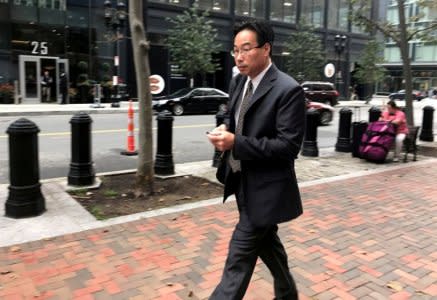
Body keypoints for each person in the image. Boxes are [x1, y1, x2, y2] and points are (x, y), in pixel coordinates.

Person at [206, 20, 306, 299]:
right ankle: (288, 293)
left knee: (239, 256)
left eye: (246, 49)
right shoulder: (239, 81)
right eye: (235, 50)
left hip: (268, 189)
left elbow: (287, 147)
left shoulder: (288, 90)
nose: (239, 56)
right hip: (240, 181)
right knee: (267, 243)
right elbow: (231, 117)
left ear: (266, 49)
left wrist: (237, 142)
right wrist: (225, 129)